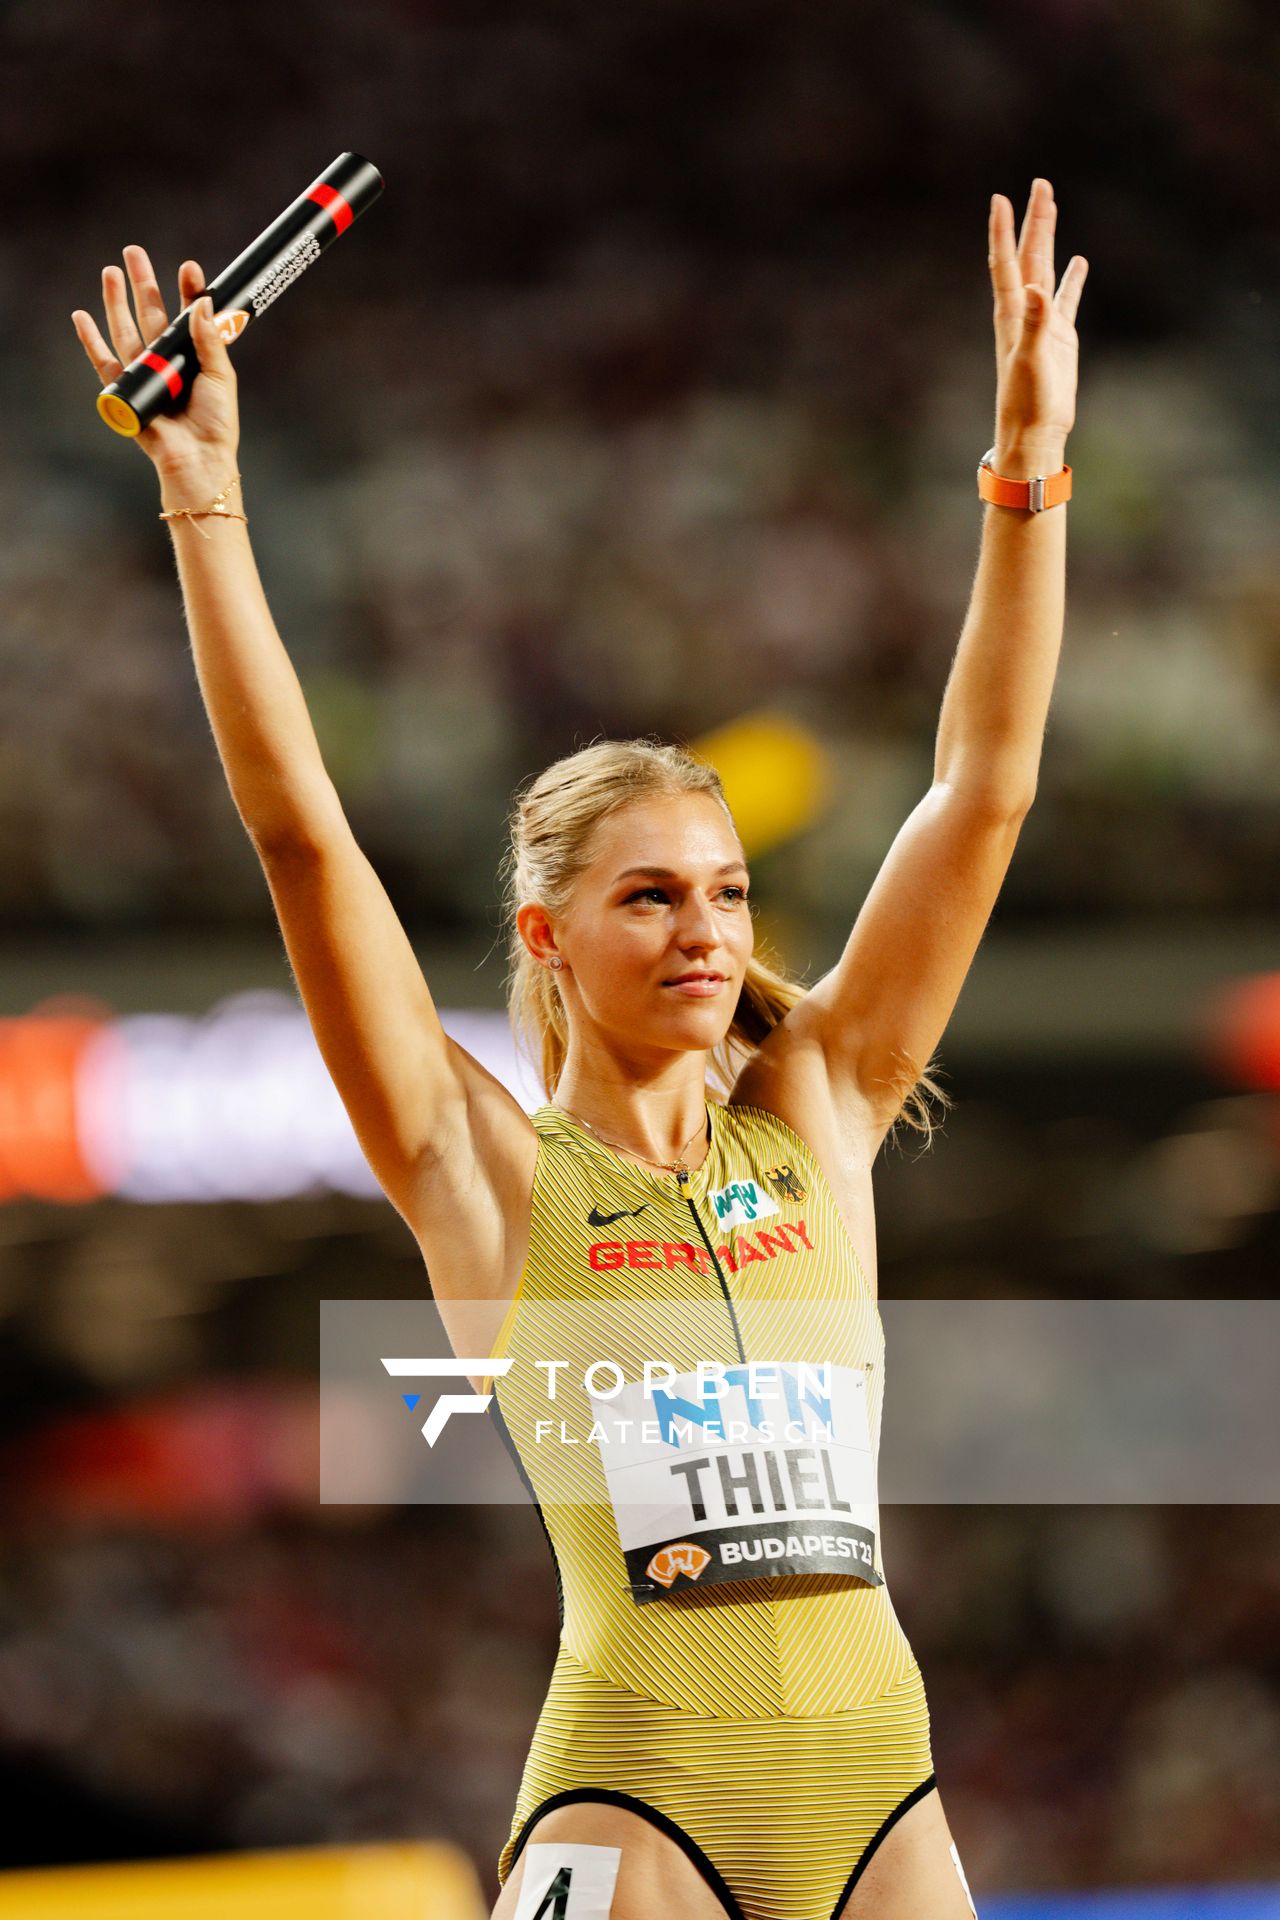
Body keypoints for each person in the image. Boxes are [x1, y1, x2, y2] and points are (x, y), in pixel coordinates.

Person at [72, 176, 1086, 1920]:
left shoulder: (823, 1107)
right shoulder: (480, 1170)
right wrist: (208, 501)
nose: (707, 931)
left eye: (729, 892)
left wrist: (1026, 479)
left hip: (879, 1790)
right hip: (641, 1797)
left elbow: (982, 793)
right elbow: (306, 837)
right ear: (547, 935)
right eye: (650, 899)